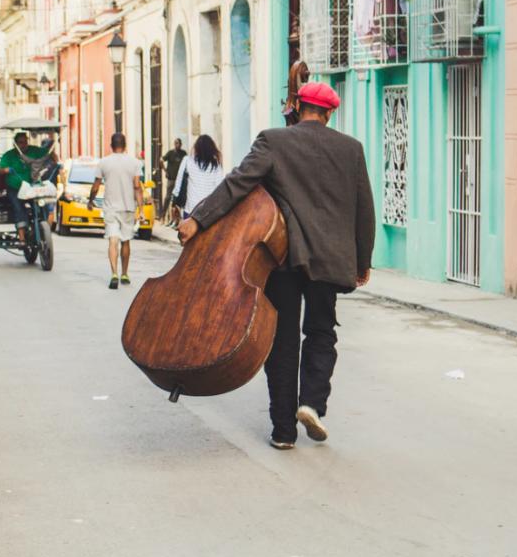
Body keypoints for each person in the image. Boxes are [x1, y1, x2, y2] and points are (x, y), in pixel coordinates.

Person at [179, 82, 375, 450]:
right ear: (330, 113)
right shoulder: (351, 149)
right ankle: (311, 404)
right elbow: (364, 208)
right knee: (321, 332)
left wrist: (198, 220)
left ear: (298, 107)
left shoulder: (273, 140)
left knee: (282, 341)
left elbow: (236, 184)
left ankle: (283, 431)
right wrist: (362, 260)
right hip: (331, 259)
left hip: (286, 257)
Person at [89, 133, 143, 290]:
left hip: (111, 208)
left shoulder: (104, 162)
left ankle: (114, 273)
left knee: (113, 240)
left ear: (111, 145)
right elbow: (137, 186)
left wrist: (90, 200)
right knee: (126, 241)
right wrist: (141, 209)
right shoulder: (135, 162)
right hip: (128, 207)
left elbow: (96, 186)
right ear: (125, 145)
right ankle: (124, 273)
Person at [0, 132, 56, 243]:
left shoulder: (34, 150)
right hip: (15, 188)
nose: (23, 145)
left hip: (32, 188)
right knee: (18, 208)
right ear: (15, 144)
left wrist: (55, 161)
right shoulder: (9, 155)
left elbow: (49, 153)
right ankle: (22, 238)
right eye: (20, 142)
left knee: (42, 205)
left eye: (25, 142)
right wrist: (6, 170)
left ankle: (42, 228)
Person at [170, 135, 225, 219]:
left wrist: (174, 203)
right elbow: (219, 189)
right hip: (208, 213)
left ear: (196, 147)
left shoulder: (187, 160)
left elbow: (178, 183)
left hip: (190, 211)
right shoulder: (216, 165)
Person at [160, 138, 187, 221]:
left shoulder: (183, 153)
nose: (177, 145)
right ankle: (163, 216)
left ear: (181, 144)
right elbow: (161, 160)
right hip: (171, 179)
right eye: (175, 143)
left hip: (180, 180)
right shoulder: (170, 153)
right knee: (168, 197)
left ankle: (176, 219)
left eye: (178, 143)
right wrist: (165, 171)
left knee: (178, 199)